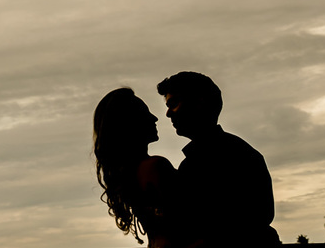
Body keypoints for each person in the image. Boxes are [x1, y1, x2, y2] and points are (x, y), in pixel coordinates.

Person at [157, 71, 281, 248]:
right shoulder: (236, 153)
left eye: (174, 103)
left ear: (199, 103)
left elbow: (255, 219)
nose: (168, 113)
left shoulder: (234, 156)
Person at [94, 88, 190, 247]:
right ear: (130, 122)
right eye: (145, 113)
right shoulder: (155, 167)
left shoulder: (128, 174)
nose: (155, 118)